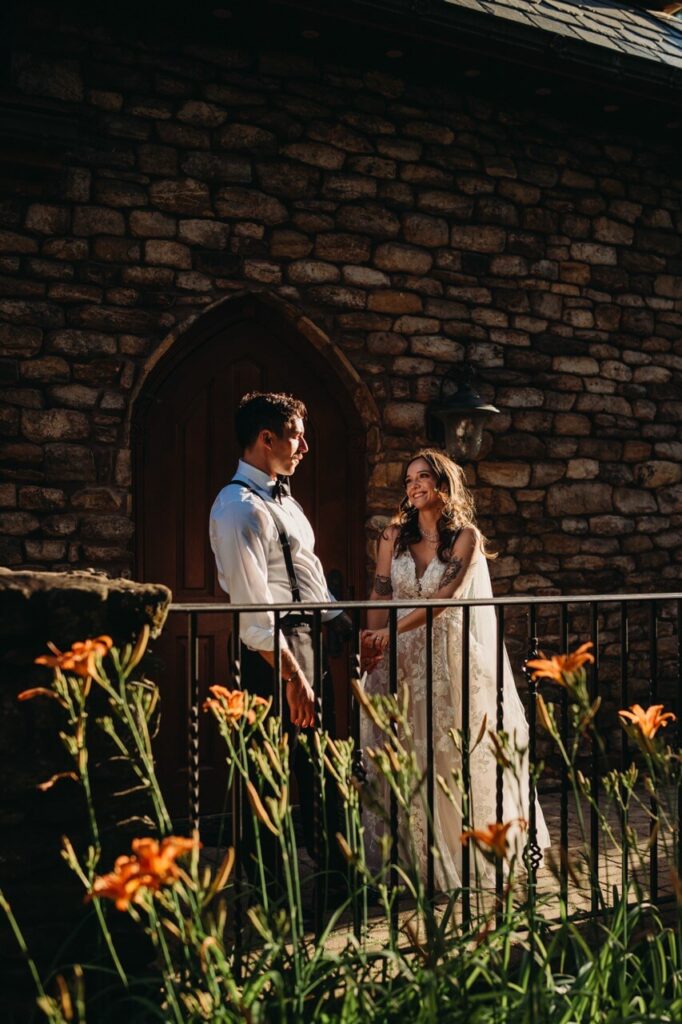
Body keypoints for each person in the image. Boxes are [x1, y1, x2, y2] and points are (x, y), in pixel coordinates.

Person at [361, 448, 550, 888]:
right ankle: (406, 859)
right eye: (408, 480)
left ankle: (459, 857)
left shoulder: (466, 537)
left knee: (449, 752)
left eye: (422, 477)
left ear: (443, 485)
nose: (413, 486)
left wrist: (391, 632)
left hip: (449, 657)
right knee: (403, 750)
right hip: (400, 660)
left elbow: (442, 600)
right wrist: (372, 641)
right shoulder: (391, 537)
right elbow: (380, 592)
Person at [209, 391, 349, 885]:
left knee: (314, 759)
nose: (304, 446)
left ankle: (332, 873)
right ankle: (268, 882)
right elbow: (253, 608)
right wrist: (290, 674)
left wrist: (337, 620)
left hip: (306, 638)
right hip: (271, 649)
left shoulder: (283, 499)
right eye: (296, 435)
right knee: (270, 763)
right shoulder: (237, 508)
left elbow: (305, 573)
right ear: (266, 438)